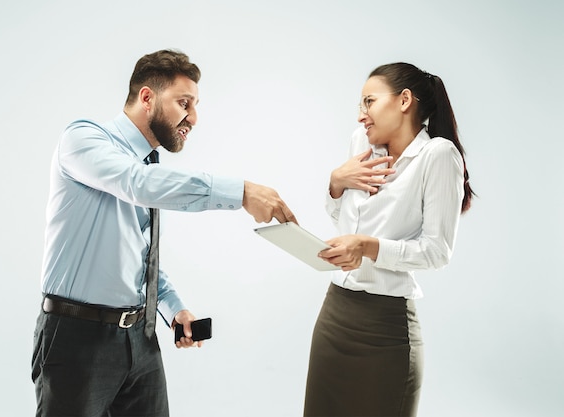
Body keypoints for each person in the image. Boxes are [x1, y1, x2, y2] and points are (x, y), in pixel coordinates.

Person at [31, 49, 297, 417]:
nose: (194, 117)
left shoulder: (149, 164)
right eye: (184, 103)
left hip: (140, 338)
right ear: (147, 98)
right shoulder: (84, 140)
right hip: (77, 336)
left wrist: (173, 309)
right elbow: (136, 183)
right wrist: (240, 192)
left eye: (196, 105)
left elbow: (142, 255)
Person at [303, 62, 475, 417]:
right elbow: (343, 219)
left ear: (404, 100)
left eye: (369, 101)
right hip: (334, 315)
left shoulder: (437, 156)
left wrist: (367, 247)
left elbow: (436, 252)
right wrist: (336, 184)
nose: (361, 115)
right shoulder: (361, 143)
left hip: (386, 329)